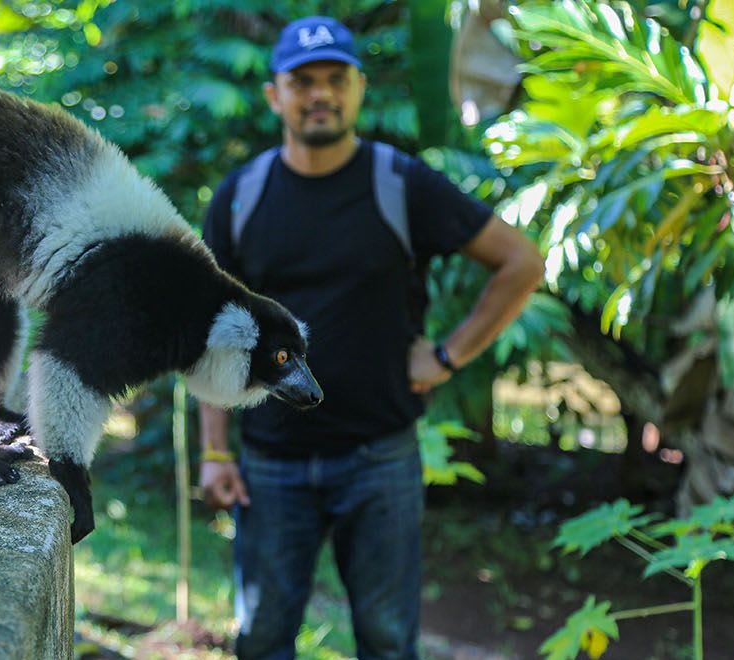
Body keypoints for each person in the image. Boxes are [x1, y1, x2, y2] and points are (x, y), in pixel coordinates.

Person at [197, 16, 543, 660]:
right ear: (275, 95)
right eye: (302, 82)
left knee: (387, 640)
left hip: (379, 459)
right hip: (271, 464)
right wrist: (216, 452)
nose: (319, 94)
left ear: (359, 88)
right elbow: (217, 334)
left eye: (335, 79)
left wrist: (448, 356)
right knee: (263, 636)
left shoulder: (401, 184)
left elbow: (520, 262)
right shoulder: (240, 198)